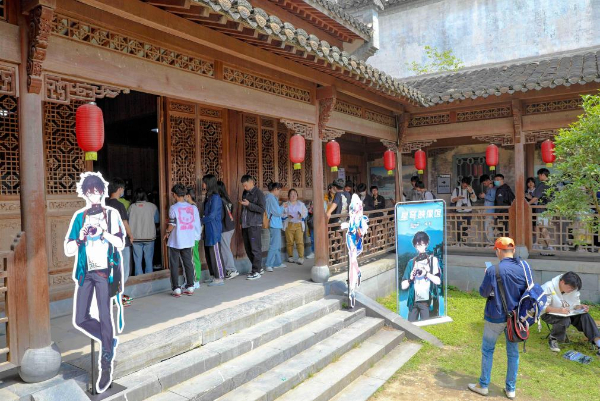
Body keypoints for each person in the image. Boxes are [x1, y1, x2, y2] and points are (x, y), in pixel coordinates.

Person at [64, 172, 125, 393]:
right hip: (85, 272)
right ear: (85, 194)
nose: (94, 195)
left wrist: (103, 232)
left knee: (105, 315)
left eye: (97, 191)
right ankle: (109, 341)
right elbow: (69, 249)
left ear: (102, 192)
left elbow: (120, 243)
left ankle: (105, 364)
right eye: (90, 192)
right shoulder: (80, 217)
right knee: (80, 318)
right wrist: (80, 237)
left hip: (104, 272)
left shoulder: (111, 214)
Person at [468, 237, 530, 400]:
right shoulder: (524, 267)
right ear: (513, 250)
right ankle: (511, 389)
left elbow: (483, 292)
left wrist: (488, 277)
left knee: (488, 350)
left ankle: (483, 385)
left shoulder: (492, 270)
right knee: (513, 353)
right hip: (515, 318)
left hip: (495, 316)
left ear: (497, 251)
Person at [541, 272, 600, 355]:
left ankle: (598, 342)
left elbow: (575, 304)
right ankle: (554, 339)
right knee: (564, 319)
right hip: (548, 313)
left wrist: (579, 307)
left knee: (584, 316)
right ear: (562, 282)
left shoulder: (573, 289)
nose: (571, 290)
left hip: (568, 312)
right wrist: (558, 310)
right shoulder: (548, 287)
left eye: (573, 289)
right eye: (570, 288)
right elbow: (542, 307)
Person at [164, 184, 199, 297]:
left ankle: (176, 288)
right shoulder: (193, 208)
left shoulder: (173, 208)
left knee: (174, 264)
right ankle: (190, 286)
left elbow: (172, 224)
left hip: (176, 240)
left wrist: (167, 232)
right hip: (188, 239)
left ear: (174, 195)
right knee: (188, 263)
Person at [400, 231, 442, 322]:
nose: (420, 247)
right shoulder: (412, 262)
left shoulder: (433, 260)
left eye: (422, 244)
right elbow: (403, 286)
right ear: (415, 246)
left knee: (427, 325)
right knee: (410, 325)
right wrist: (411, 278)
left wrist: (426, 273)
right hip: (413, 301)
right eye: (418, 245)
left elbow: (438, 281)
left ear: (426, 244)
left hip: (427, 301)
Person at [106, 178, 134, 304]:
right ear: (119, 189)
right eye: (122, 189)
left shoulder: (104, 204)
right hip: (121, 241)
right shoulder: (119, 205)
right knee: (124, 270)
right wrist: (131, 235)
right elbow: (124, 223)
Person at [201, 175, 225, 287]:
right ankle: (213, 275)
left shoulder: (215, 197)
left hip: (213, 229)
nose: (203, 185)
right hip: (208, 228)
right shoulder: (209, 197)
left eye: (204, 182)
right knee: (209, 253)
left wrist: (200, 220)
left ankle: (219, 277)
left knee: (215, 253)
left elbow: (212, 215)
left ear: (209, 184)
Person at [128, 188, 159, 276]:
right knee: (149, 259)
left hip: (135, 238)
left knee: (137, 260)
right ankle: (149, 278)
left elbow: (127, 221)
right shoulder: (152, 206)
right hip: (149, 237)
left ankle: (139, 278)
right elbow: (157, 220)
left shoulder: (131, 207)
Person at [240, 175, 266, 280]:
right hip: (245, 224)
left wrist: (249, 204)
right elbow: (243, 209)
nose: (244, 187)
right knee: (248, 248)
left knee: (255, 248)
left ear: (251, 182)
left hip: (254, 224)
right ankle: (258, 268)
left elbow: (262, 209)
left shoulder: (259, 193)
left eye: (246, 185)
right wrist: (241, 221)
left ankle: (256, 271)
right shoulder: (245, 192)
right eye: (243, 186)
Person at [217, 181, 239, 280]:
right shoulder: (226, 200)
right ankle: (229, 269)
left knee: (225, 249)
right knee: (226, 248)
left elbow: (221, 216)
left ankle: (232, 270)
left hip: (225, 227)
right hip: (230, 226)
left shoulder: (220, 200)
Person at [529, 168, 554, 252]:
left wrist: (527, 204)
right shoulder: (552, 184)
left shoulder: (542, 184)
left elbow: (536, 197)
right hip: (549, 209)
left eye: (539, 175)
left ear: (543, 175)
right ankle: (540, 244)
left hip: (542, 210)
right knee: (540, 226)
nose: (538, 177)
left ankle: (549, 245)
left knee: (542, 227)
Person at [265, 182, 286, 271]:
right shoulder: (271, 198)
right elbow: (277, 212)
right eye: (279, 190)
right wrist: (283, 206)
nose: (280, 192)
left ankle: (277, 262)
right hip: (274, 223)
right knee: (274, 245)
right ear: (275, 189)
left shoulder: (271, 197)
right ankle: (268, 264)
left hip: (275, 223)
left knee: (277, 244)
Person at [283, 188, 308, 265]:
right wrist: (287, 216)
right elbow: (281, 213)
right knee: (289, 242)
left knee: (299, 241)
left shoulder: (301, 204)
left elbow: (305, 212)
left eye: (295, 194)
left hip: (298, 225)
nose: (293, 196)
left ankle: (301, 257)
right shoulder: (285, 204)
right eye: (291, 194)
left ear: (297, 195)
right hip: (289, 224)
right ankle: (290, 257)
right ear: (288, 196)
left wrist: (301, 215)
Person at [184, 187, 203, 288]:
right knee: (191, 258)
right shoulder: (192, 207)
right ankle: (190, 280)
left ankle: (196, 280)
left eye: (184, 196)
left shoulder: (192, 208)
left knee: (193, 259)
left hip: (193, 237)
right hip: (192, 236)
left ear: (188, 196)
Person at [451, 177, 477, 244]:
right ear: (461, 183)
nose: (464, 186)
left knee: (466, 228)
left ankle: (464, 242)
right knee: (459, 227)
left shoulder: (470, 190)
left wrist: (471, 192)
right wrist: (457, 198)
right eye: (463, 185)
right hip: (459, 211)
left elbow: (474, 200)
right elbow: (452, 200)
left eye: (466, 185)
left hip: (468, 211)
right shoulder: (457, 189)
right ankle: (458, 242)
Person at [478, 174, 498, 243]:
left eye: (484, 183)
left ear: (487, 180)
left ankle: (490, 242)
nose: (484, 185)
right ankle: (489, 242)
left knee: (489, 227)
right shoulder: (488, 188)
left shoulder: (492, 187)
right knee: (488, 227)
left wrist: (485, 196)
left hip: (491, 211)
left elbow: (493, 198)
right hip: (487, 210)